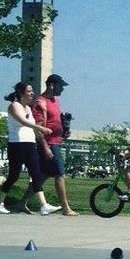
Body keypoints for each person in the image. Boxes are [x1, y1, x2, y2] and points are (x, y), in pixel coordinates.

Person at [0, 82, 58, 215]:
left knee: (36, 174)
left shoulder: (28, 108)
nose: (32, 93)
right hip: (17, 144)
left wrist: (42, 137)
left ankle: (44, 205)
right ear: (21, 93)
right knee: (13, 176)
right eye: (29, 91)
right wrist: (41, 128)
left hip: (30, 143)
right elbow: (22, 121)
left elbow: (32, 125)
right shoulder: (13, 106)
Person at [32, 74, 77, 215]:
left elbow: (55, 122)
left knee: (43, 176)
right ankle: (65, 208)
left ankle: (21, 203)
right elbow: (38, 129)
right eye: (61, 86)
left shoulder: (55, 101)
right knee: (59, 175)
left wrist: (63, 131)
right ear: (52, 85)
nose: (62, 89)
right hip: (49, 144)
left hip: (56, 141)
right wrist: (45, 147)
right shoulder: (41, 102)